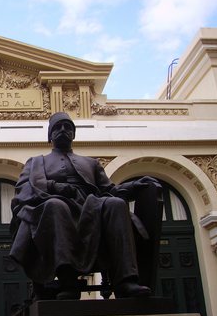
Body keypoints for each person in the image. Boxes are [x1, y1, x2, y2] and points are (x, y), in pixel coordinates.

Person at [9, 112, 159, 300]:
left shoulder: (91, 163)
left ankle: (126, 281)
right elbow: (24, 189)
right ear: (50, 135)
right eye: (57, 127)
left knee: (116, 204)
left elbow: (109, 190)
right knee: (56, 206)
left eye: (68, 127)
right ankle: (67, 280)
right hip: (50, 206)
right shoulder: (36, 162)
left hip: (90, 207)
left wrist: (133, 186)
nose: (63, 130)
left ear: (74, 134)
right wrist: (56, 187)